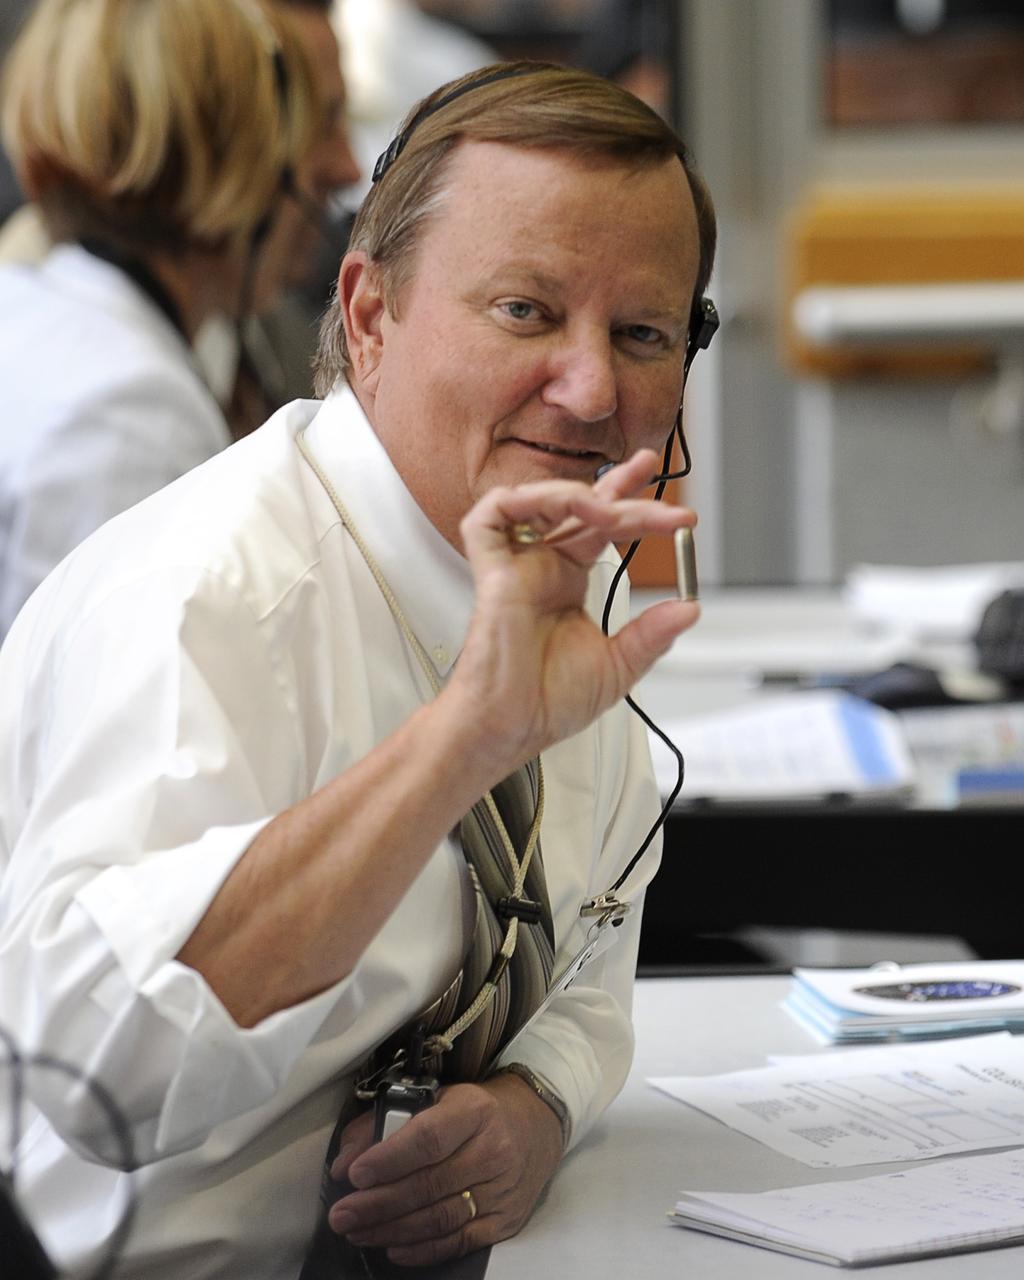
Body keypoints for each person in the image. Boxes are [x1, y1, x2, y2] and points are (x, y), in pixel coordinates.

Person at [0, 60, 716, 1279]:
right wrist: (459, 742)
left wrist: (537, 1107)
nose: (594, 390)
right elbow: (91, 1073)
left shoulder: (551, 556)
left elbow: (592, 958)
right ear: (371, 315)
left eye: (642, 333)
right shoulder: (206, 597)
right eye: (526, 312)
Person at [0, 0, 359, 640]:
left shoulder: (38, 304)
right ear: (238, 158)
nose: (344, 169)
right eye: (313, 129)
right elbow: (115, 708)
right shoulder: (129, 407)